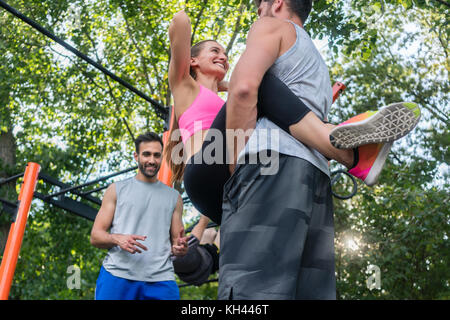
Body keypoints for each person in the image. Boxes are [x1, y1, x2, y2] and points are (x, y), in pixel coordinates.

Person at [165, 9, 420, 225]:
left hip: (230, 192)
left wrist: (224, 86)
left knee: (260, 97)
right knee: (258, 82)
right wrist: (190, 62)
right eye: (214, 51)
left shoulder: (226, 106)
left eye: (225, 53)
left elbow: (247, 94)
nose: (223, 56)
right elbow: (181, 20)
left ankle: (333, 138)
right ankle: (343, 150)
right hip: (206, 171)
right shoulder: (184, 87)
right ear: (193, 60)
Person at [90, 132, 188, 300]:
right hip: (116, 276)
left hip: (161, 280)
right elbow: (95, 236)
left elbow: (177, 244)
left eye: (156, 155)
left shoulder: (174, 197)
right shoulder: (116, 189)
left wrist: (180, 249)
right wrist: (117, 238)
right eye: (146, 154)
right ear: (136, 156)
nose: (151, 160)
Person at [172, 215, 220, 286]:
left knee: (209, 231)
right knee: (225, 226)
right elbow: (203, 222)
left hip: (200, 255)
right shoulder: (181, 253)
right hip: (212, 260)